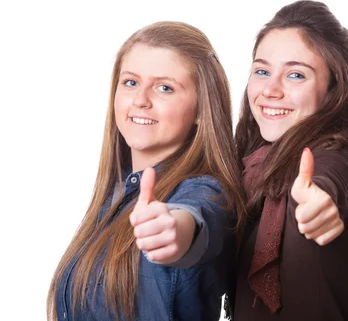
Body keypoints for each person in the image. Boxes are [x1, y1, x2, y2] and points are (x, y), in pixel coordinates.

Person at [46, 21, 246, 321]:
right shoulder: (118, 193)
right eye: (130, 82)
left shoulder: (206, 191)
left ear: (201, 111)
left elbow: (197, 220)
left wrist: (177, 231)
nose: (140, 100)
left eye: (164, 87)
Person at [230, 0, 348, 320]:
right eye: (262, 71)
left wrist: (320, 204)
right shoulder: (254, 166)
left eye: (295, 75)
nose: (271, 89)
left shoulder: (336, 157)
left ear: (332, 87)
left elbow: (328, 179)